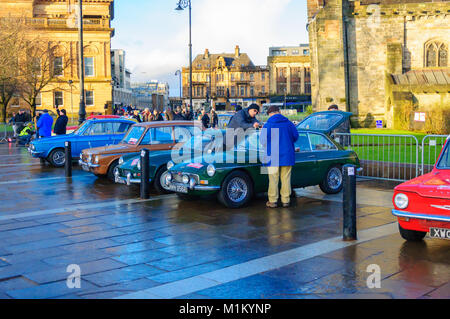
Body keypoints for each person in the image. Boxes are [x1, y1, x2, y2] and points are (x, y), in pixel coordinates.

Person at [260, 105, 299, 208]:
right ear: (279, 112)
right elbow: (295, 137)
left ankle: (273, 201)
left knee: (273, 179)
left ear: (270, 114)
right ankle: (286, 200)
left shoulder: (267, 125)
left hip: (272, 155)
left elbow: (262, 141)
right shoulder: (289, 123)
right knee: (286, 178)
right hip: (287, 155)